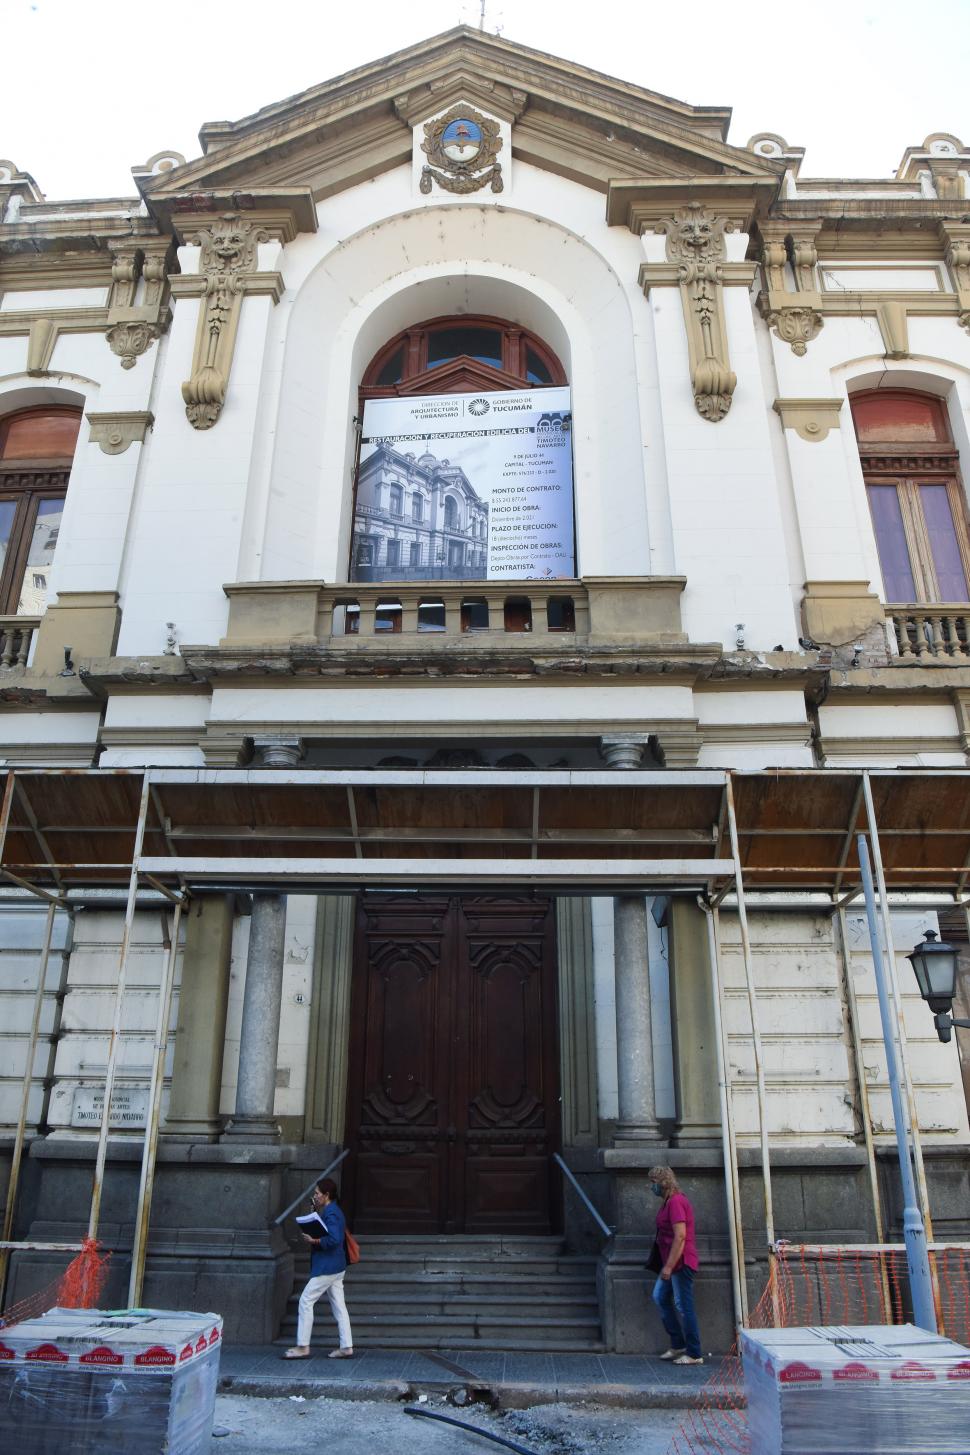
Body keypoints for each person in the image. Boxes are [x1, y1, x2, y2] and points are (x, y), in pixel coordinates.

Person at [283, 1177, 354, 1359]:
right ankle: (346, 1346)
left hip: (327, 1267)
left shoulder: (332, 1213)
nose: (315, 1196)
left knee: (306, 1301)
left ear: (326, 1195)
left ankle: (303, 1346)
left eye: (317, 1193)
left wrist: (314, 1240)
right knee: (339, 1306)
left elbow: (334, 1239)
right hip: (336, 1266)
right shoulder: (331, 1211)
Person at [648, 1165, 703, 1366]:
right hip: (673, 1262)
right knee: (660, 1297)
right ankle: (678, 1344)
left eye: (653, 1182)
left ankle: (694, 1352)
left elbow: (680, 1236)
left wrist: (669, 1267)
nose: (651, 1187)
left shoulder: (676, 1202)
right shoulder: (669, 1202)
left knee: (683, 1305)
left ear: (663, 1183)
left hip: (681, 1263)